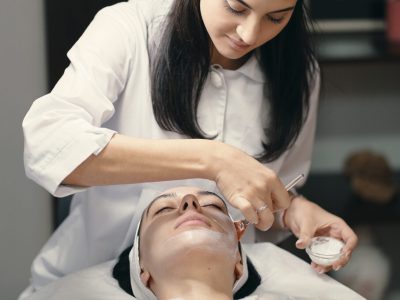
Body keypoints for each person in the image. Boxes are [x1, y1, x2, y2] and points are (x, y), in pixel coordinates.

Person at [21, 0, 358, 295]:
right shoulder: (130, 29)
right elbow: (48, 145)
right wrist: (210, 160)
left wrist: (292, 210)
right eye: (236, 7)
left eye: (276, 17)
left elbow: (264, 192)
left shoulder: (298, 73)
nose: (250, 33)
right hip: (94, 272)